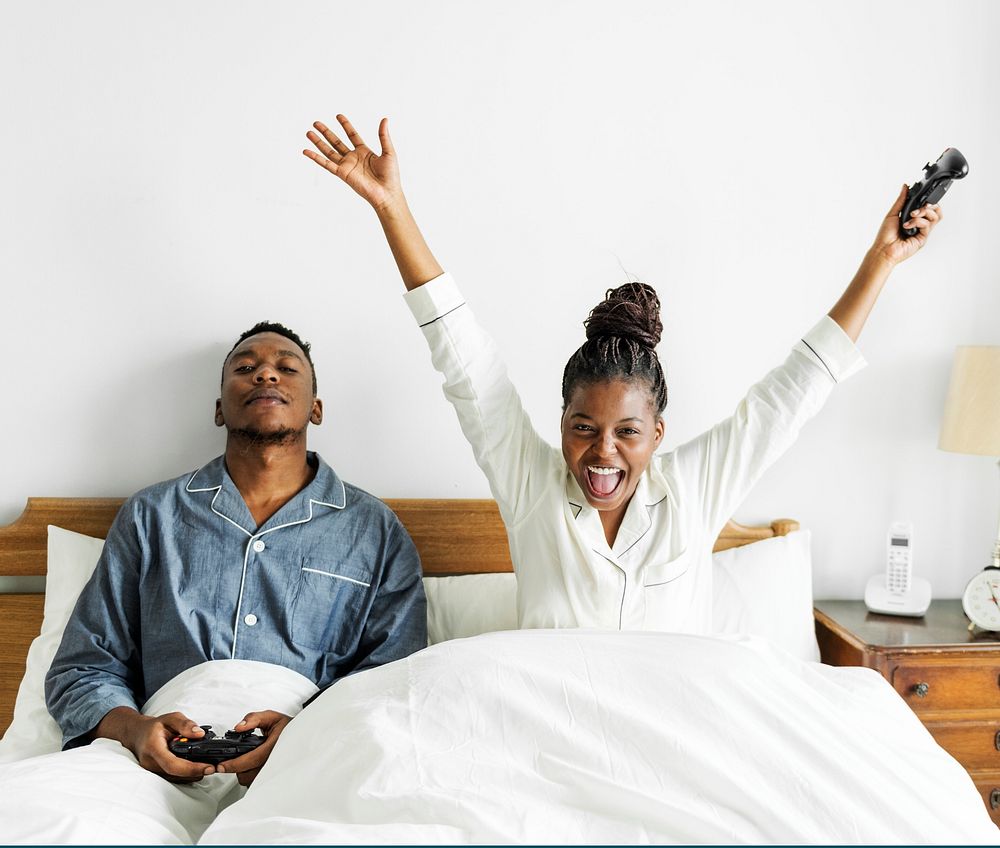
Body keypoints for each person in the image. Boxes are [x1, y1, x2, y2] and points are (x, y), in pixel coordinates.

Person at [303, 114, 941, 633]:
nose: (601, 453)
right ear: (562, 423)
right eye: (584, 427)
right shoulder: (530, 486)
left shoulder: (695, 489)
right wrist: (392, 207)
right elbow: (462, 355)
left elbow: (796, 390)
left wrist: (881, 260)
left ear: (658, 433)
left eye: (626, 432)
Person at [41, 321, 426, 789]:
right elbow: (81, 667)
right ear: (220, 409)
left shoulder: (374, 529)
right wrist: (134, 731)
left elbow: (395, 679)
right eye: (247, 368)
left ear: (316, 409)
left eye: (286, 367)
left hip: (313, 755)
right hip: (153, 765)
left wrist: (304, 728)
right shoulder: (150, 516)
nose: (266, 375)